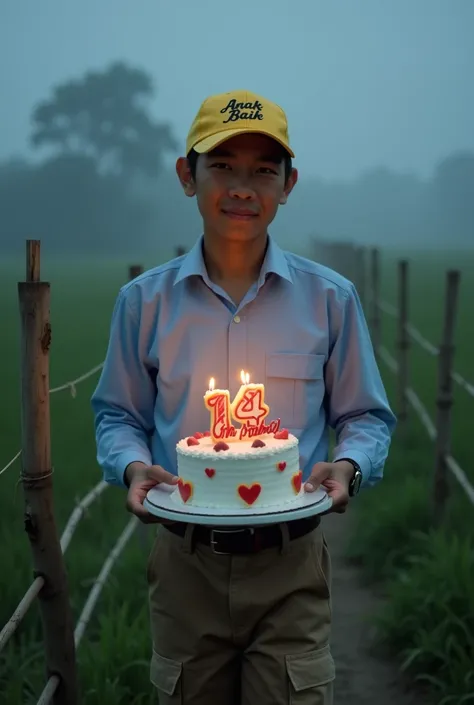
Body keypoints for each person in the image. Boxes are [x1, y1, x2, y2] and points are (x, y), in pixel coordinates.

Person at [91, 89, 396, 705]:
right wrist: (130, 465)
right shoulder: (144, 304)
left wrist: (350, 465)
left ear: (288, 184)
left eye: (263, 170)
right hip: (184, 565)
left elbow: (365, 415)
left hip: (292, 562)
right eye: (222, 167)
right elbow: (117, 414)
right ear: (187, 175)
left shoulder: (329, 299)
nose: (241, 187)